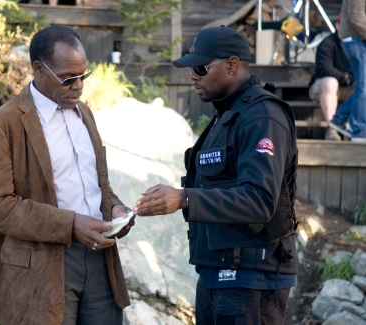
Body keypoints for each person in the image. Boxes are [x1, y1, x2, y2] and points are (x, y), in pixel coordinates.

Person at [134, 26, 298, 325]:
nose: (193, 75)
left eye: (200, 67)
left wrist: (185, 198)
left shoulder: (262, 117)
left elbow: (259, 200)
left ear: (232, 65)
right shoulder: (227, 114)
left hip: (250, 281)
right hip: (215, 276)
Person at [0, 25, 132, 325]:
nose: (79, 86)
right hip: (39, 271)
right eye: (69, 78)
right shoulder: (1, 125)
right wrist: (69, 225)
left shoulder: (84, 113)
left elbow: (96, 184)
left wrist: (114, 208)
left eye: (84, 75)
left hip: (100, 262)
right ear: (39, 69)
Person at [309, 12, 354, 141]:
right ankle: (332, 129)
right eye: (344, 24)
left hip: (348, 88)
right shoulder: (326, 44)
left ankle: (357, 128)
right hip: (323, 87)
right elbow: (325, 69)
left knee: (363, 86)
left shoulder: (356, 45)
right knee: (330, 82)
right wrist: (344, 77)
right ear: (337, 25)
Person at [328, 0, 366, 142]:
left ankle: (339, 119)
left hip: (357, 39)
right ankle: (359, 130)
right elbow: (356, 14)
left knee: (363, 87)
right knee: (363, 87)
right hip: (356, 39)